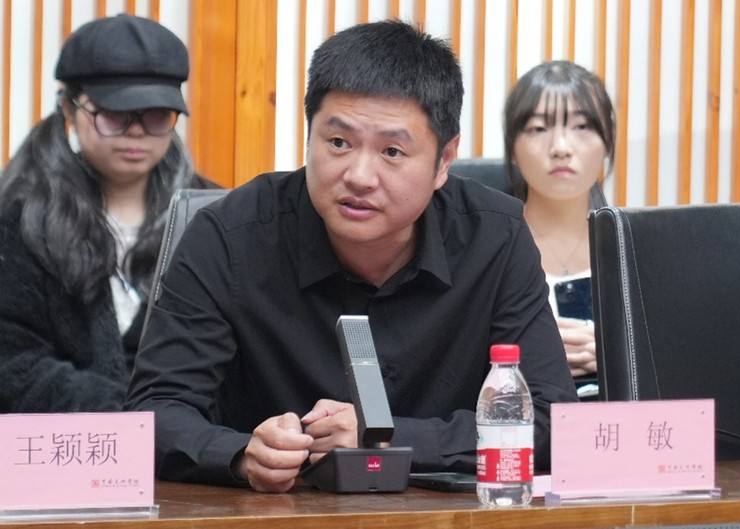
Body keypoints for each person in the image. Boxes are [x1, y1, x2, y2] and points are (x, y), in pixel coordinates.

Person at [125, 20, 578, 493]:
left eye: (392, 151)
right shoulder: (229, 237)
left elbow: (551, 420)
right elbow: (154, 412)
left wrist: (385, 437)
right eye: (338, 142)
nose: (359, 176)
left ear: (444, 160)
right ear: (309, 135)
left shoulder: (495, 237)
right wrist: (239, 455)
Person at [0, 14, 217, 413]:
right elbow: (12, 361)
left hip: (189, 445)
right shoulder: (18, 215)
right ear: (69, 108)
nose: (136, 131)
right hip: (61, 443)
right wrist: (134, 414)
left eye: (156, 115)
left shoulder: (213, 214)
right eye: (115, 114)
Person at [503, 60, 616, 396]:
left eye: (582, 126)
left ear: (608, 141)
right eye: (538, 128)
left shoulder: (636, 249)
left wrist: (617, 353)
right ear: (512, 146)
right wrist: (537, 355)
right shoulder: (489, 247)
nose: (561, 148)